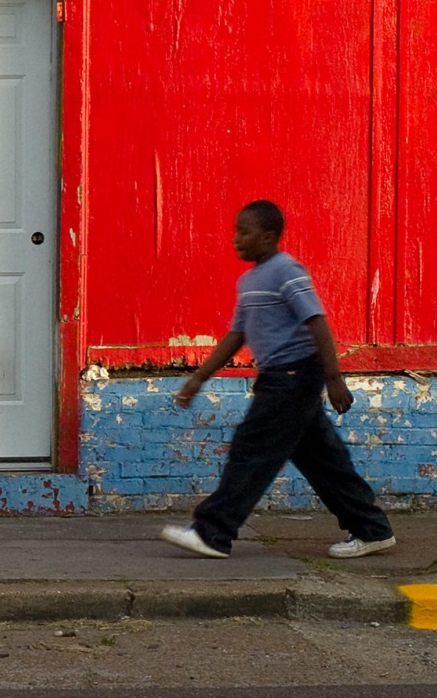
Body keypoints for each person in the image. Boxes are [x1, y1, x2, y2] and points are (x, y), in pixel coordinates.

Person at [160, 199, 396, 560]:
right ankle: (371, 529)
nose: (235, 239)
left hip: (294, 376)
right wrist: (199, 378)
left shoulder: (287, 270)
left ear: (268, 237)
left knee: (251, 449)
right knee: (323, 460)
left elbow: (316, 321)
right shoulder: (249, 280)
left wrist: (334, 379)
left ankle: (212, 532)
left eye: (244, 231)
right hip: (280, 377)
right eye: (235, 230)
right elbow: (236, 335)